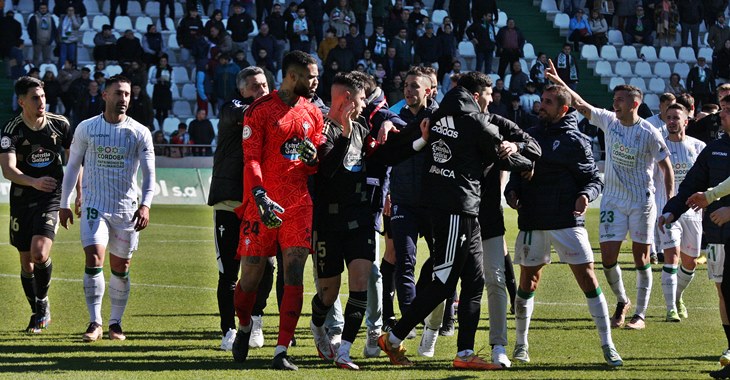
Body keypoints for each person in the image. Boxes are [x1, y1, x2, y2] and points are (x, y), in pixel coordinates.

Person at [378, 70, 534, 369]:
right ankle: (393, 338)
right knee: (444, 282)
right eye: (488, 96)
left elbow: (408, 140)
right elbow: (504, 156)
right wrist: (528, 164)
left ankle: (464, 354)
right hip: (456, 208)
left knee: (473, 282)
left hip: (464, 208)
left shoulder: (437, 117)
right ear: (476, 96)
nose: (491, 100)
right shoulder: (475, 123)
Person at [545, 61, 675, 331]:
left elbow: (666, 167)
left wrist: (670, 202)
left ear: (634, 104)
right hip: (613, 200)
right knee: (607, 259)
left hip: (641, 201)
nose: (615, 104)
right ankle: (622, 300)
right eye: (614, 100)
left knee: (641, 259)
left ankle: (640, 314)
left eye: (620, 100)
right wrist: (561, 83)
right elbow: (580, 104)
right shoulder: (609, 121)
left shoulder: (648, 133)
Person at [505, 84, 622, 367]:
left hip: (567, 221)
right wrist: (512, 190)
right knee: (527, 282)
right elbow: (518, 173)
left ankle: (608, 345)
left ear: (563, 109)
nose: (540, 105)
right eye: (541, 101)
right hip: (533, 220)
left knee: (588, 280)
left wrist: (585, 195)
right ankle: (521, 345)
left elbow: (594, 180)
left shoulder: (576, 141)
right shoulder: (529, 135)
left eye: (547, 102)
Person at [230, 51, 323, 371]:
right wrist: (259, 194)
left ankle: (281, 349)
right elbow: (251, 158)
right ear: (293, 76)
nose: (316, 81)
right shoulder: (259, 110)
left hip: (298, 204)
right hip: (261, 205)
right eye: (311, 76)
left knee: (293, 273)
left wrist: (313, 160)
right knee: (250, 280)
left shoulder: (313, 113)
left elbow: (311, 166)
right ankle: (244, 326)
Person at [59, 75, 155, 342]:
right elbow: (73, 166)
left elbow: (149, 175)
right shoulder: (87, 128)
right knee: (93, 258)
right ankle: (95, 322)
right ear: (105, 96)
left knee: (121, 267)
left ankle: (116, 323)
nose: (123, 98)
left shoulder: (139, 132)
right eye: (118, 93)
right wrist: (64, 202)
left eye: (127, 94)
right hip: (94, 206)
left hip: (126, 209)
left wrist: (145, 204)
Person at [659, 95, 730, 378]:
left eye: (727, 111)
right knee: (724, 291)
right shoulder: (714, 150)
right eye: (722, 110)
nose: (721, 116)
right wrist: (671, 211)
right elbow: (692, 184)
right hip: (716, 234)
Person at [208, 66, 274, 351]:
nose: (261, 90)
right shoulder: (233, 108)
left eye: (264, 85)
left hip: (260, 201)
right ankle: (229, 330)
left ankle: (256, 321)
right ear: (242, 90)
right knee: (229, 270)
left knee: (267, 266)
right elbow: (241, 115)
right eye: (255, 86)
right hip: (230, 199)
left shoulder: (270, 111)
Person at [308, 71, 371, 369]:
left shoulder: (363, 128)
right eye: (360, 98)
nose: (363, 103)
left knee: (360, 283)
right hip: (328, 223)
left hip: (359, 219)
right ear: (347, 99)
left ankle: (344, 350)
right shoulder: (322, 130)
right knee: (328, 292)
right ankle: (318, 325)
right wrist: (345, 134)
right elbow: (326, 171)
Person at [0, 76, 71, 333]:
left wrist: (78, 192)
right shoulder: (11, 130)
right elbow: (8, 170)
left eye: (42, 96)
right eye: (35, 97)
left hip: (50, 196)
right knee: (26, 262)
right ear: (21, 102)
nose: (41, 101)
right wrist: (33, 181)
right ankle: (38, 310)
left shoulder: (60, 125)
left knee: (40, 253)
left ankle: (41, 306)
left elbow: (73, 162)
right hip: (22, 198)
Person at [654, 103, 706, 322]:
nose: (672, 121)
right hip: (667, 210)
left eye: (676, 117)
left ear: (686, 121)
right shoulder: (658, 146)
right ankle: (670, 309)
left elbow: (707, 176)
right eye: (669, 118)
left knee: (690, 261)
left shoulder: (699, 146)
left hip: (693, 211)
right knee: (671, 256)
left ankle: (677, 297)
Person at [28, 3, 57, 67]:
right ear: (39, 9)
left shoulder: (51, 18)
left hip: (47, 42)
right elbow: (29, 29)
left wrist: (51, 39)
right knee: (36, 58)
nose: (43, 10)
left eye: (44, 8)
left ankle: (46, 74)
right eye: (41, 8)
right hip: (37, 41)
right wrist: (33, 38)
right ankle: (34, 73)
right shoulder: (34, 17)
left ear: (47, 9)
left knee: (47, 59)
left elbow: (54, 29)